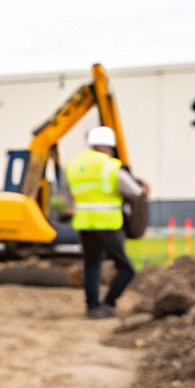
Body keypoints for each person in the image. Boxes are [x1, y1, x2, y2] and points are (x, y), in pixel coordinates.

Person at [66, 125, 145, 319]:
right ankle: (109, 302)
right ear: (107, 146)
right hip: (107, 223)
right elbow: (135, 191)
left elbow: (73, 193)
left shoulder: (75, 165)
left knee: (92, 265)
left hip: (85, 223)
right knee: (126, 268)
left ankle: (92, 307)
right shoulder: (109, 165)